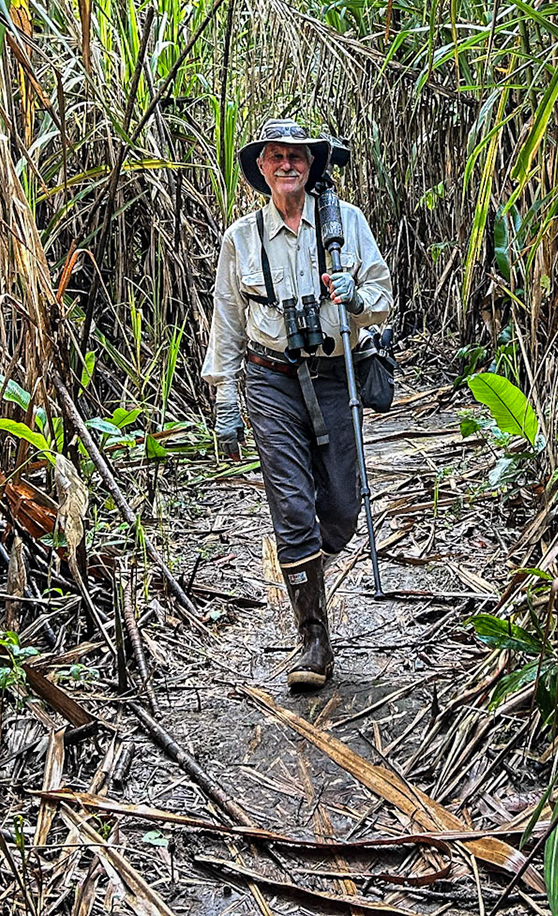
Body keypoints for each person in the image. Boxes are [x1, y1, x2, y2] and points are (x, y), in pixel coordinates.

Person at [204, 118, 393, 688]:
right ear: (260, 168)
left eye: (298, 157)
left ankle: (312, 555)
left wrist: (356, 297)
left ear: (312, 166)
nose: (287, 165)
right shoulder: (241, 238)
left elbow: (383, 299)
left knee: (339, 510)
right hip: (270, 378)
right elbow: (228, 322)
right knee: (290, 504)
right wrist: (227, 400)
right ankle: (313, 637)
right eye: (276, 156)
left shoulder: (347, 224)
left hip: (338, 374)